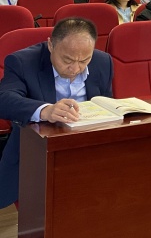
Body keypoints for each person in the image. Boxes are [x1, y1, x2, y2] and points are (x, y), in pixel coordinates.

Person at [0, 18, 113, 208]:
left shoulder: (103, 62)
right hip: (38, 151)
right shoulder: (22, 62)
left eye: (84, 61)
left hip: (87, 148)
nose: (75, 69)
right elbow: (4, 99)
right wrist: (45, 110)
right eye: (67, 60)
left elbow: (106, 103)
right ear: (51, 45)